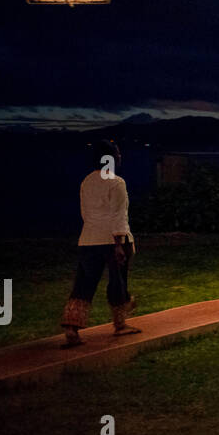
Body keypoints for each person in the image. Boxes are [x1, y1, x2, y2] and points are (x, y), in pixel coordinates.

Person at [59, 139, 141, 347]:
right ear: (112, 158)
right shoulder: (116, 182)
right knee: (117, 281)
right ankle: (120, 324)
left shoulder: (87, 181)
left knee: (83, 284)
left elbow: (85, 213)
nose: (121, 157)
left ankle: (72, 328)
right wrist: (118, 244)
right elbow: (118, 215)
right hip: (111, 240)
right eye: (118, 154)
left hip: (88, 239)